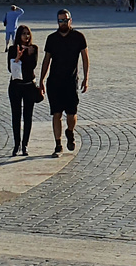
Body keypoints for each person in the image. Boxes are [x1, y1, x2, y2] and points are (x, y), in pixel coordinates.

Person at [38, 9, 89, 157]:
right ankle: (58, 144)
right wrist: (41, 79)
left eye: (65, 20)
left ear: (70, 20)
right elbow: (46, 60)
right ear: (57, 21)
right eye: (60, 20)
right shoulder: (51, 38)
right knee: (56, 113)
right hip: (54, 82)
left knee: (72, 113)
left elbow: (85, 58)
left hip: (71, 81)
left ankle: (70, 131)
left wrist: (86, 78)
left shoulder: (79, 37)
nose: (63, 23)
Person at [7, 24, 39, 156]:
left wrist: (28, 55)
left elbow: (32, 66)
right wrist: (18, 57)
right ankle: (16, 144)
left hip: (29, 86)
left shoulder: (34, 48)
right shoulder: (13, 49)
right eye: (23, 33)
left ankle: (25, 144)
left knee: (28, 116)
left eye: (28, 34)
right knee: (16, 116)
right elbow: (11, 68)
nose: (26, 36)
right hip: (15, 86)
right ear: (19, 35)